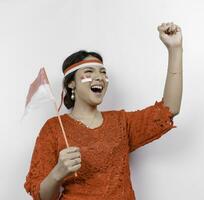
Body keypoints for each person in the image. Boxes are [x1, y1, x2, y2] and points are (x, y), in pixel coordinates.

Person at [24, 22, 183, 200]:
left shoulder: (121, 122)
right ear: (71, 83)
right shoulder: (53, 129)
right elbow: (42, 197)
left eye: (102, 72)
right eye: (89, 71)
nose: (99, 77)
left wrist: (175, 49)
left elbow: (169, 109)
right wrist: (57, 174)